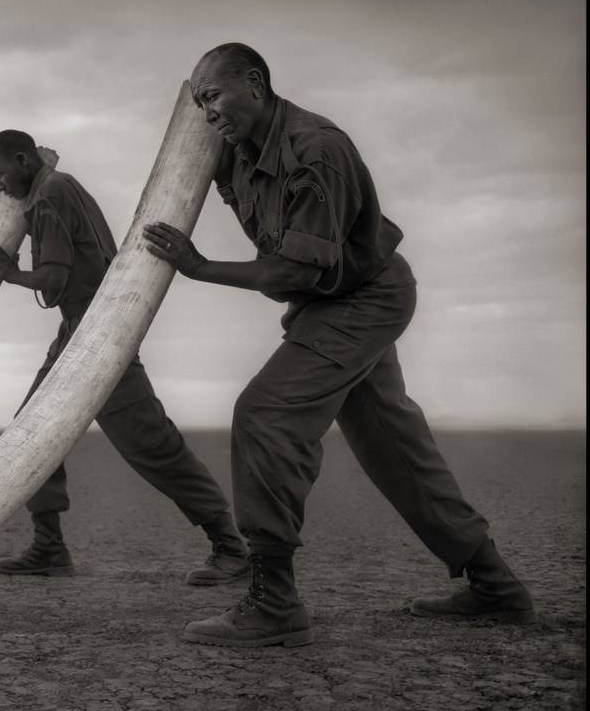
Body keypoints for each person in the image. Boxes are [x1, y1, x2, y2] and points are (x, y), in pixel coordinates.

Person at [143, 42, 535, 648]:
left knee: (266, 413)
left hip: (363, 299)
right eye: (199, 102)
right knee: (392, 445)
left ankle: (274, 602)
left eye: (214, 96)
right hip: (330, 302)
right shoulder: (237, 149)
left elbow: (292, 273)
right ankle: (496, 585)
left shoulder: (317, 150)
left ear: (254, 82)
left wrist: (198, 267)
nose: (207, 112)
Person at [0, 129, 248, 584]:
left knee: (150, 443)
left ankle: (230, 546)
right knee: (28, 436)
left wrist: (10, 273)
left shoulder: (49, 196)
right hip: (77, 330)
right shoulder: (59, 186)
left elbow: (54, 278)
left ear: (23, 161)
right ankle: (49, 547)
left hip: (100, 336)